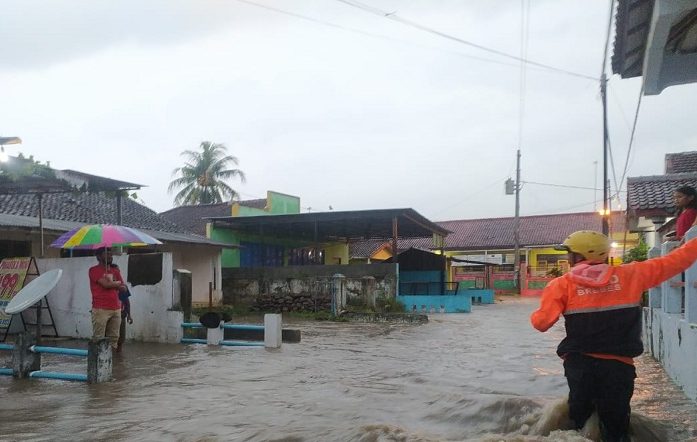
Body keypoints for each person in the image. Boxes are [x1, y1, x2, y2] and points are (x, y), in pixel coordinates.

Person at [530, 230, 697, 442]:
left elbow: (541, 324)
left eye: (569, 253)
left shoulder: (561, 285)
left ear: (577, 256)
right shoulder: (632, 274)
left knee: (579, 424)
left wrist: (540, 309)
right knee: (616, 427)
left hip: (579, 366)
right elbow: (677, 260)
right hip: (619, 367)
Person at [88, 247, 127, 351]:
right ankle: (97, 364)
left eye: (111, 254)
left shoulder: (115, 270)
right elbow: (105, 285)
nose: (110, 256)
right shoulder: (93, 270)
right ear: (98, 256)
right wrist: (116, 283)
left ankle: (112, 364)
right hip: (100, 308)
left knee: (114, 339)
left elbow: (124, 288)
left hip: (116, 308)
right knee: (98, 338)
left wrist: (114, 283)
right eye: (106, 254)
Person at [116, 286, 133, 353]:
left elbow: (127, 302)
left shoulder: (123, 287)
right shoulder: (106, 285)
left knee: (121, 339)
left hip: (121, 315)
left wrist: (129, 315)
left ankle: (118, 356)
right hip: (110, 315)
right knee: (110, 337)